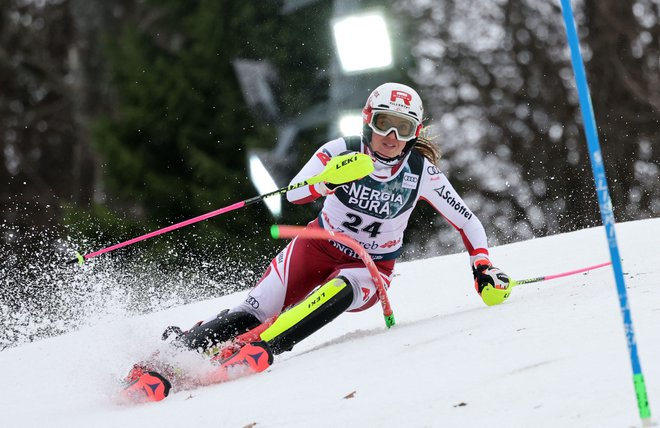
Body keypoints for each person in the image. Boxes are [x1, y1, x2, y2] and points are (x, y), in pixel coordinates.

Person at [169, 82, 511, 375]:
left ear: (415, 133)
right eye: (384, 124)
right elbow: (296, 193)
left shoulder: (422, 173)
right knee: (255, 310)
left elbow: (466, 220)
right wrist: (327, 180)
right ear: (368, 121)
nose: (391, 137)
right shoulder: (342, 150)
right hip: (317, 246)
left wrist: (481, 265)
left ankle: (262, 347)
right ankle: (179, 353)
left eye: (403, 128)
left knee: (342, 286)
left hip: (370, 267)